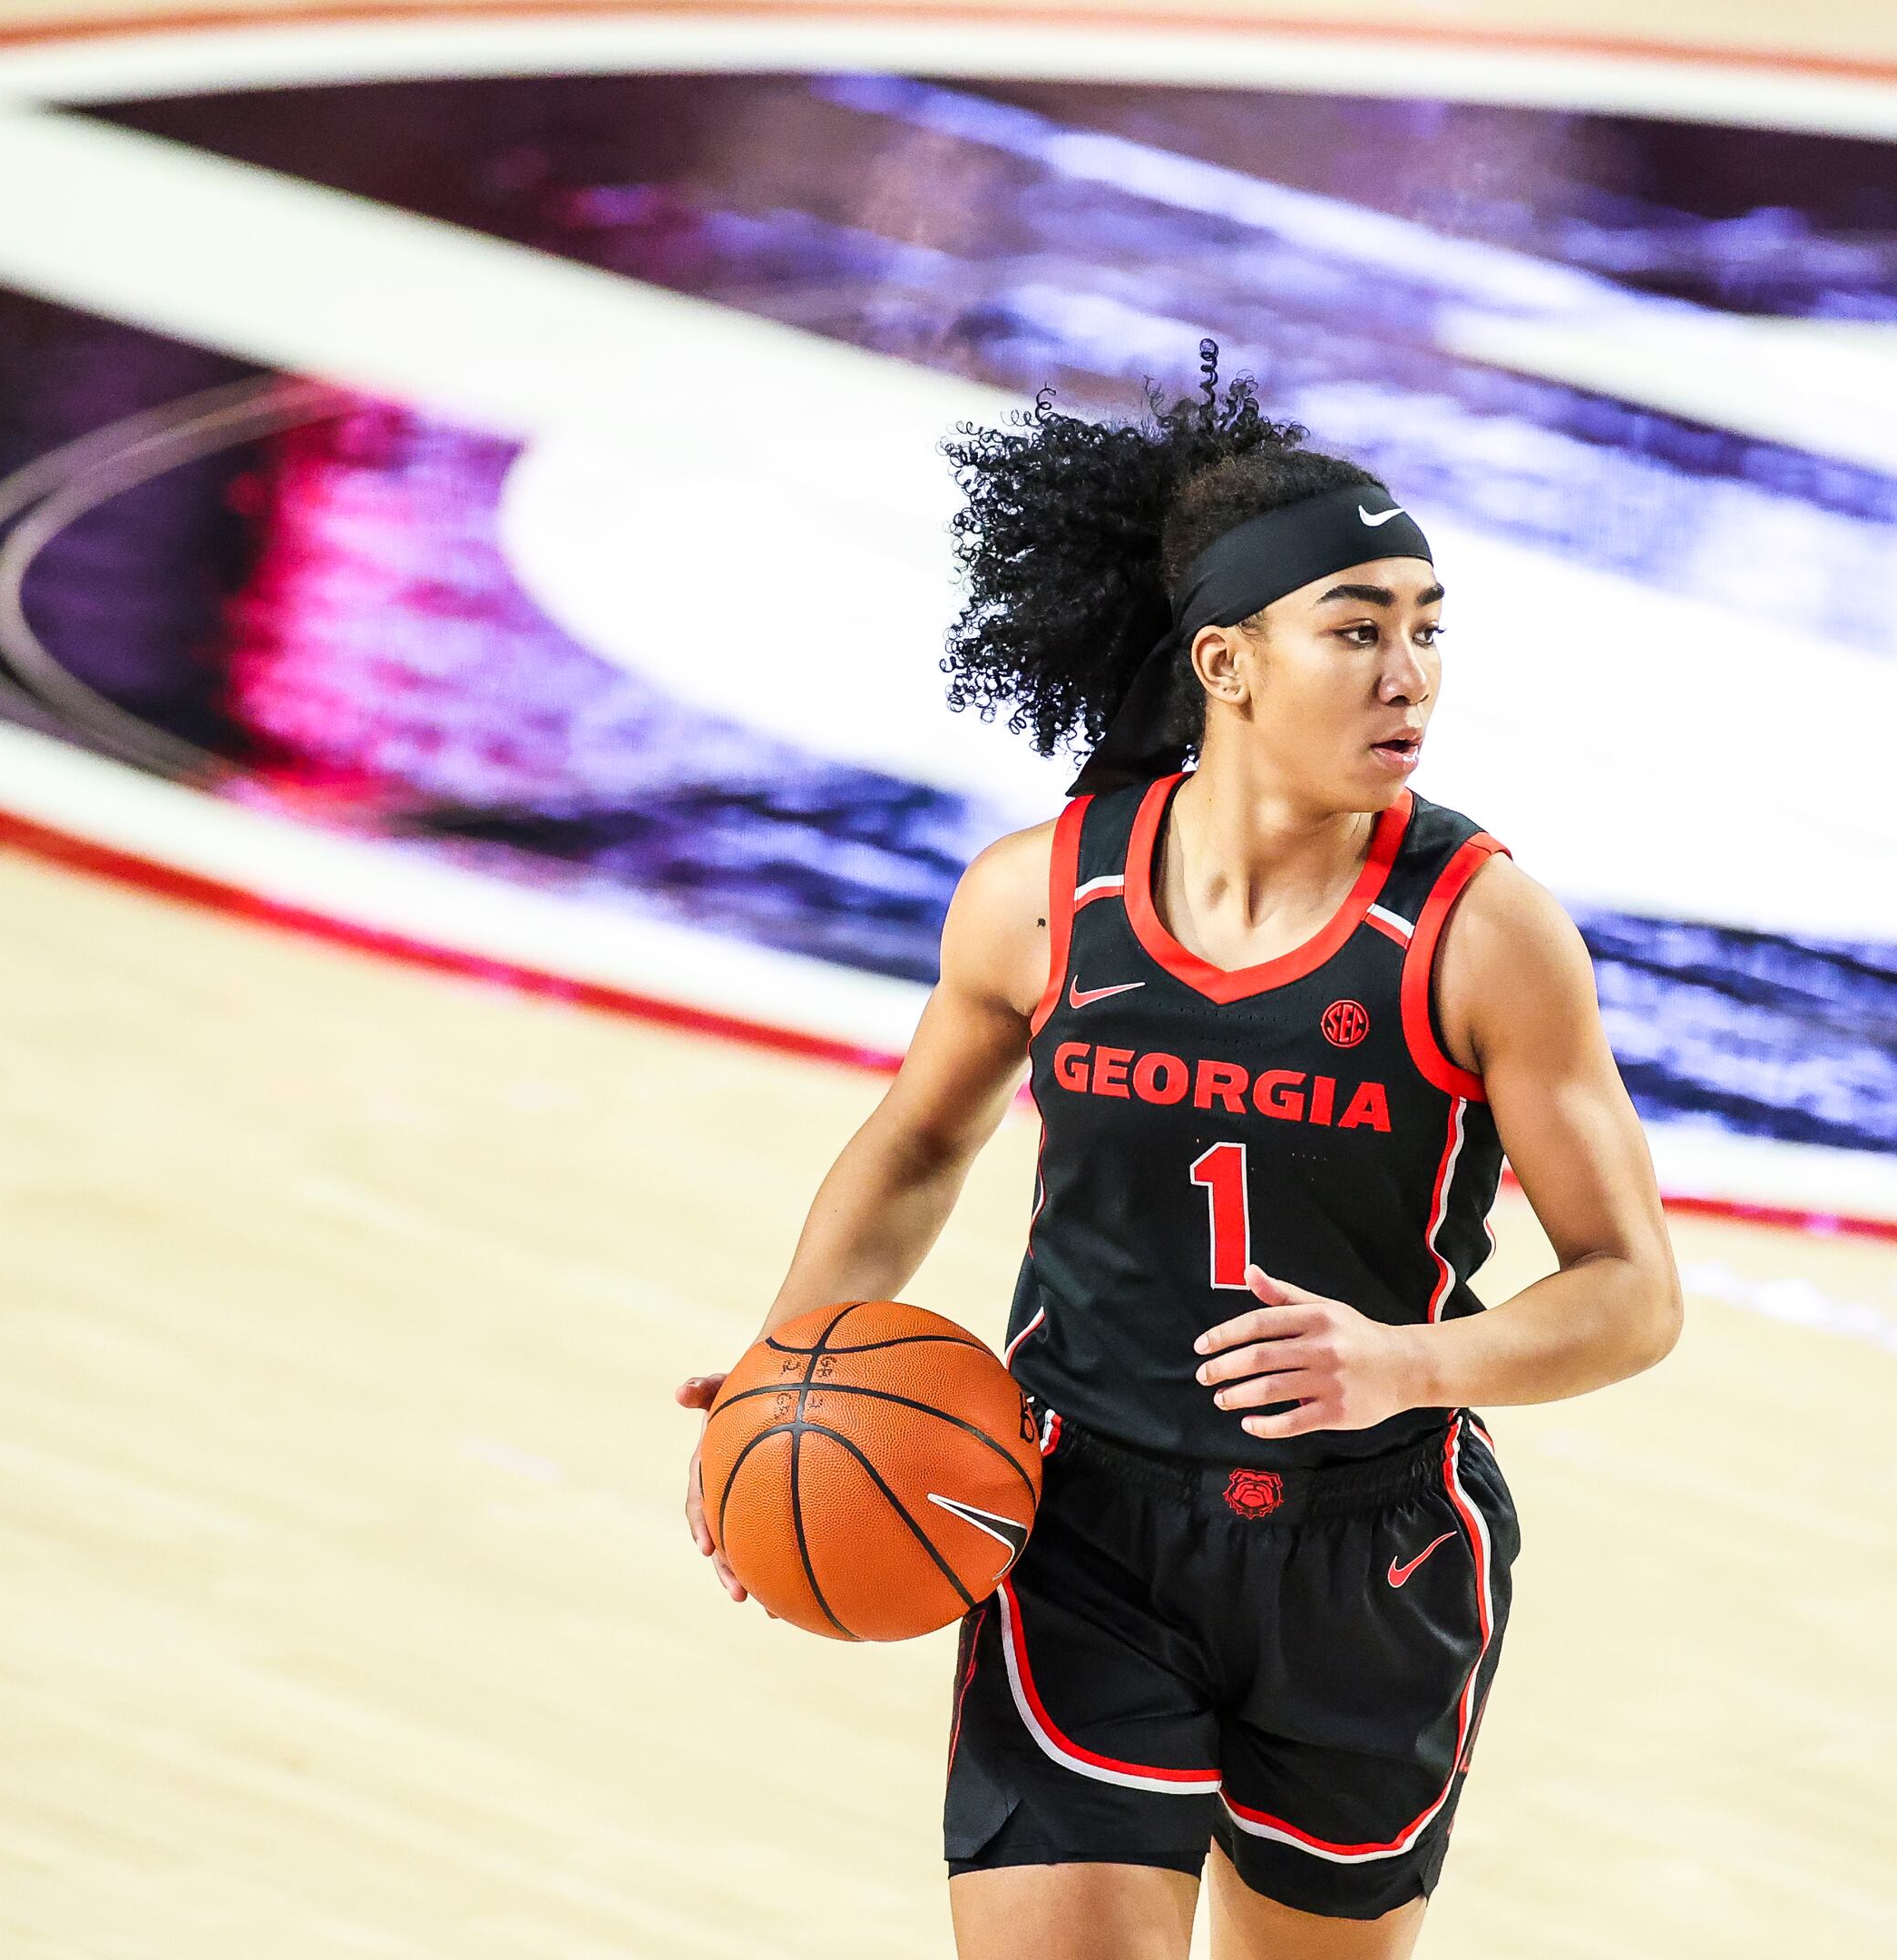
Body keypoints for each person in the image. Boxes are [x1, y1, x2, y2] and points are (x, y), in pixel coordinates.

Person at [677, 347, 1681, 1959]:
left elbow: (1637, 1294)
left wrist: (1409, 1363)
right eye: (1357, 630)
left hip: (1372, 1548)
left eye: (1429, 630)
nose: (1408, 675)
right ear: (1225, 662)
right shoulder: (1039, 897)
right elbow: (919, 1139)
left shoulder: (1482, 934)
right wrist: (786, 1364)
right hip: (1076, 1520)